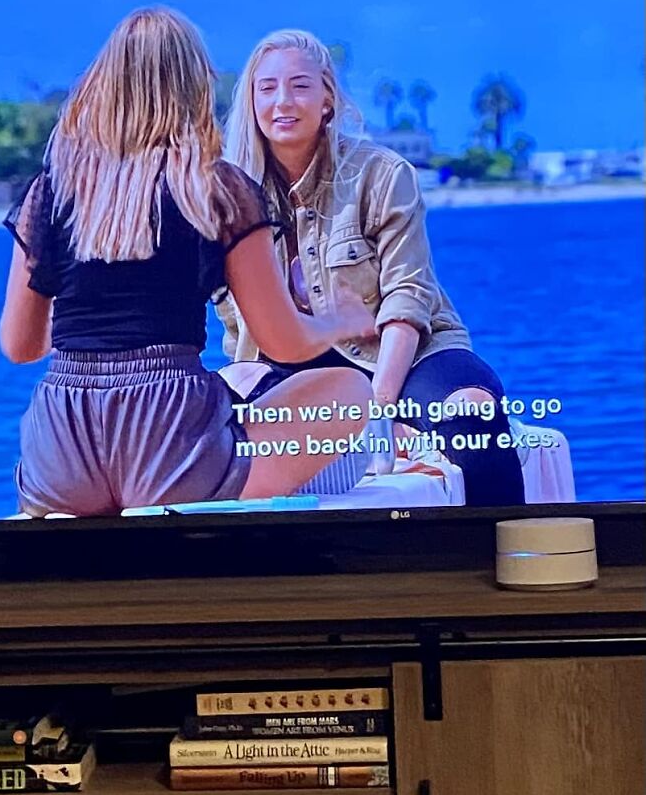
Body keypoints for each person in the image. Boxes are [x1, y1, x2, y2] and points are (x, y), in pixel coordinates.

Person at [0, 9, 374, 517]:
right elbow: (282, 341)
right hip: (170, 443)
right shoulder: (216, 188)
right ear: (193, 87)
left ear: (104, 85)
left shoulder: (52, 190)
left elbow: (20, 347)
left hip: (62, 451)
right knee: (349, 389)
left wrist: (88, 350)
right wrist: (340, 321)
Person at [220, 29, 525, 507]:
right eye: (268, 88)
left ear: (327, 99)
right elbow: (239, 327)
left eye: (300, 85)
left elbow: (408, 298)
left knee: (473, 420)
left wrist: (378, 408)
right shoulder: (229, 193)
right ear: (251, 102)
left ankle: (505, 555)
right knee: (217, 437)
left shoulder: (383, 173)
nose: (284, 101)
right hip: (295, 369)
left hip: (409, 354)